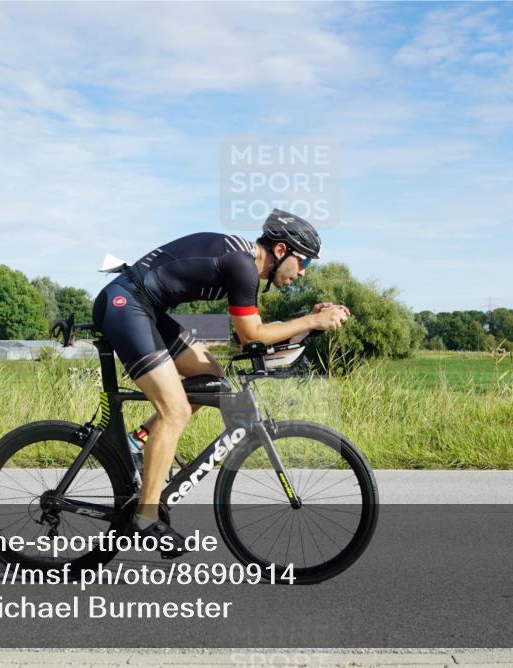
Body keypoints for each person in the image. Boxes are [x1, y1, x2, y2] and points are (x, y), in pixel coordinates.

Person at [92, 209, 351, 557]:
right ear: (280, 252)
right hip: (125, 305)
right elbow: (251, 336)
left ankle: (138, 444)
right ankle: (145, 518)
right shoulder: (243, 266)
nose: (302, 272)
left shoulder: (244, 265)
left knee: (211, 380)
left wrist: (310, 323)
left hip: (146, 309)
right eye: (302, 261)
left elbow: (257, 334)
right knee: (176, 411)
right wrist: (311, 319)